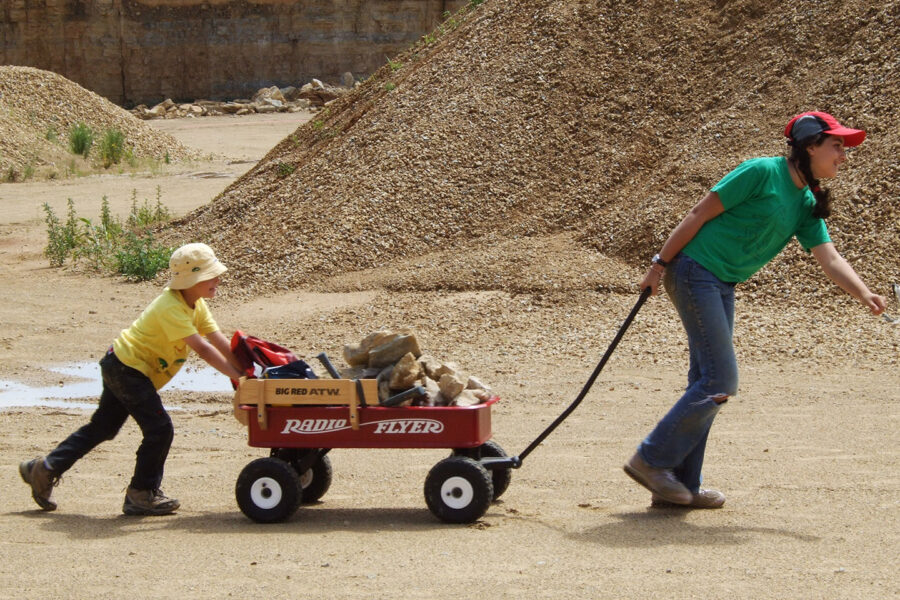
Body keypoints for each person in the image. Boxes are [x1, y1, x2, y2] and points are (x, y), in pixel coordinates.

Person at [623, 111, 887, 509]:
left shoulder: (804, 200)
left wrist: (863, 293)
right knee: (720, 380)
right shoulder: (762, 172)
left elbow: (829, 257)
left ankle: (679, 484)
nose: (843, 156)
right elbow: (698, 213)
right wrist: (659, 264)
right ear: (810, 145)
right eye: (837, 146)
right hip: (696, 271)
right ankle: (651, 460)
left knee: (706, 383)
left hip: (721, 282)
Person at [19, 243, 245, 515]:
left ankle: (43, 469)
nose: (218, 279)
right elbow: (205, 350)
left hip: (122, 365)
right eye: (211, 275)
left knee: (103, 427)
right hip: (127, 370)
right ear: (191, 280)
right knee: (160, 429)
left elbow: (218, 340)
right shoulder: (170, 307)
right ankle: (141, 493)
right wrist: (240, 378)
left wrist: (248, 372)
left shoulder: (195, 304)